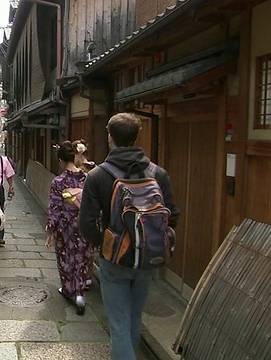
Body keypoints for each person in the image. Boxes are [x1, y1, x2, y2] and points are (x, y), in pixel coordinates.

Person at [78, 113, 179, 359]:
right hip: (147, 258)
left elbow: (86, 224)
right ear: (136, 137)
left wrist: (105, 244)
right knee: (134, 317)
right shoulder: (158, 173)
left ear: (109, 136)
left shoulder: (98, 176)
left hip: (114, 259)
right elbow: (172, 215)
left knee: (119, 325)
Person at [45, 141, 89, 315]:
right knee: (81, 257)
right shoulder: (87, 178)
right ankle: (80, 293)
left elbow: (54, 208)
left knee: (66, 257)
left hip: (65, 226)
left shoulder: (59, 181)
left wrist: (50, 231)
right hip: (83, 224)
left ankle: (68, 289)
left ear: (60, 160)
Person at [71, 139, 96, 290]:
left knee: (79, 246)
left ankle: (80, 276)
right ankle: (87, 276)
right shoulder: (95, 170)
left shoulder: (79, 173)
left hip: (78, 212)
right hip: (91, 212)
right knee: (88, 246)